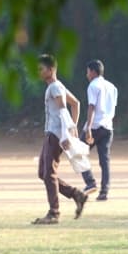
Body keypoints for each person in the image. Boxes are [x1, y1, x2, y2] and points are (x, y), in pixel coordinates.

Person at [32, 54, 90, 225]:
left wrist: (68, 134)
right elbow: (76, 103)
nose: (39, 72)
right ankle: (76, 194)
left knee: (49, 173)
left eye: (41, 69)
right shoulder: (58, 86)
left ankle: (54, 213)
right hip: (53, 134)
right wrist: (73, 128)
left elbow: (64, 111)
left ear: (51, 70)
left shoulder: (54, 88)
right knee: (43, 173)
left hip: (55, 135)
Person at [81, 59, 118, 200]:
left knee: (78, 152)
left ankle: (90, 182)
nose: (87, 74)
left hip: (95, 125)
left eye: (88, 71)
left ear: (93, 72)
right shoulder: (112, 87)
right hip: (108, 127)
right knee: (105, 160)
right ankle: (104, 191)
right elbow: (112, 108)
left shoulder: (93, 86)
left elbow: (92, 107)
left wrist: (89, 128)